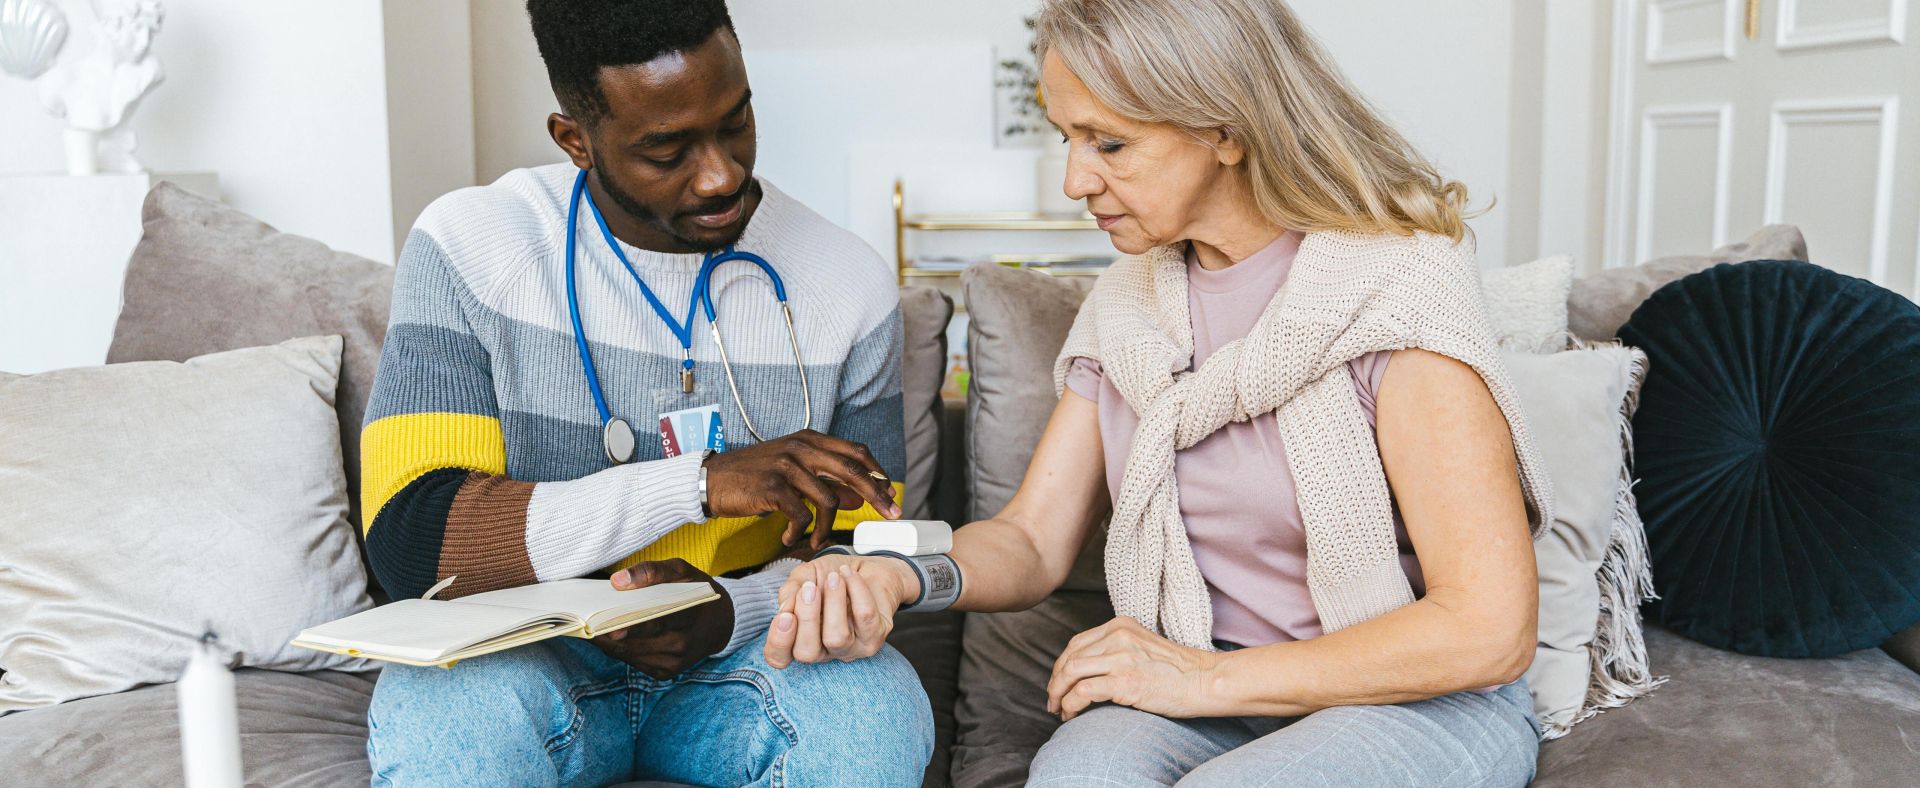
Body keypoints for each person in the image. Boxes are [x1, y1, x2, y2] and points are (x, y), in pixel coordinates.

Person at [764, 0, 1554, 785]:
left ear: (1227, 131)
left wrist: (1197, 680)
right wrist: (896, 570)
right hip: (1201, 691)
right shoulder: (1126, 308)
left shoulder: (1394, 292)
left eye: (1110, 142)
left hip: (1411, 699)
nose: (1076, 178)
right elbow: (1032, 542)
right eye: (1067, 137)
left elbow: (1487, 628)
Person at [358, 1, 931, 784]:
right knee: (447, 713)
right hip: (522, 663)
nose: (721, 172)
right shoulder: (469, 249)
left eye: (735, 122)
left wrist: (732, 613)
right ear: (576, 142)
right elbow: (412, 541)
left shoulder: (846, 284)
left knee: (876, 704)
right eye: (667, 150)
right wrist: (699, 484)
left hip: (742, 662)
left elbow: (867, 552)